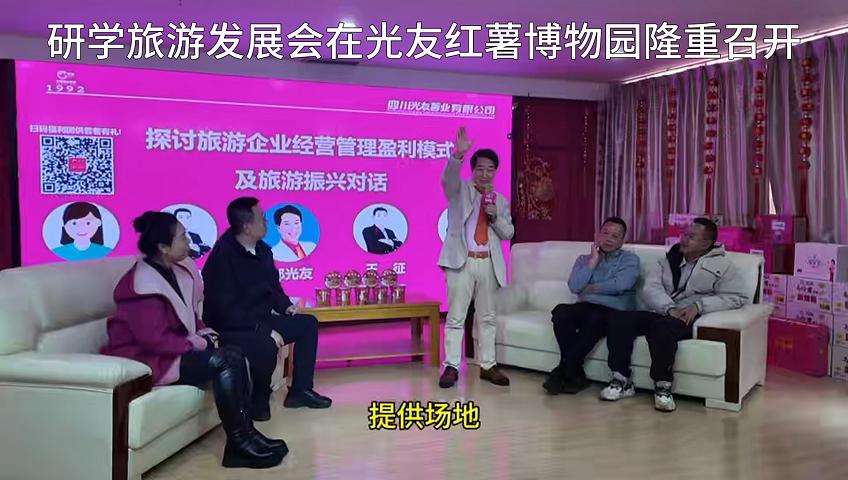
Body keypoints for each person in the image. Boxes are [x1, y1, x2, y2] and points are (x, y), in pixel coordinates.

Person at [101, 211, 287, 469]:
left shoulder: (176, 272)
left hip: (173, 351)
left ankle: (246, 434)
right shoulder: (139, 286)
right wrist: (196, 343)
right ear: (164, 247)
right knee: (225, 360)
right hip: (149, 360)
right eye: (182, 237)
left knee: (234, 352)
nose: (188, 241)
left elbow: (188, 317)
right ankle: (238, 443)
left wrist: (204, 332)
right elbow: (154, 340)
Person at [203, 197, 331, 421]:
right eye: (262, 218)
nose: (266, 222)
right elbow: (224, 309)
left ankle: (300, 391)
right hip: (231, 325)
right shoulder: (223, 256)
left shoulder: (262, 250)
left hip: (259, 318)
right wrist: (262, 330)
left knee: (307, 324)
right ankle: (258, 400)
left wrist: (286, 307)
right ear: (246, 226)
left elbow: (272, 288)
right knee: (265, 344)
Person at [601, 218, 747, 412]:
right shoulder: (667, 259)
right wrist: (669, 308)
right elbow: (651, 288)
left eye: (691, 237)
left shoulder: (723, 265)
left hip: (688, 316)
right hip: (663, 310)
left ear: (706, 243)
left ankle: (662, 386)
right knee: (620, 319)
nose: (684, 239)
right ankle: (621, 379)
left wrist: (699, 306)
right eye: (684, 234)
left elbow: (736, 297)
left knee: (662, 328)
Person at [438, 127, 514, 388]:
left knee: (487, 318)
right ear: (472, 170)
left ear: (495, 171)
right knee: (455, 317)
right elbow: (448, 178)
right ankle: (451, 366)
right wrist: (458, 155)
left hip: (488, 262)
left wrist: (494, 217)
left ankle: (488, 365)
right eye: (480, 168)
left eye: (490, 169)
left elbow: (508, 232)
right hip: (462, 262)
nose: (485, 173)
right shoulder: (459, 190)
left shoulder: (499, 201)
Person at [543, 217, 640, 395]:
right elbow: (574, 286)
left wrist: (591, 288)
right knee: (561, 312)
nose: (609, 239)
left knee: (594, 318)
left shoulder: (630, 260)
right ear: (597, 234)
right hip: (587, 306)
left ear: (622, 241)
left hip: (615, 311)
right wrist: (593, 261)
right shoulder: (584, 259)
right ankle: (573, 371)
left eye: (615, 236)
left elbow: (621, 284)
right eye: (605, 233)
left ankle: (564, 370)